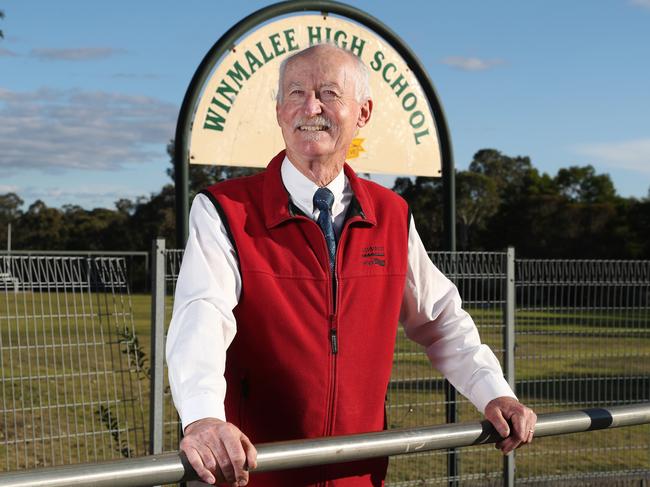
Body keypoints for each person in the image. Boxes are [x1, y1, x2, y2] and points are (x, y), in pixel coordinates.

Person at [166, 43, 536, 487]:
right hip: (256, 474)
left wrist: (495, 392)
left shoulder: (392, 214)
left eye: (328, 93)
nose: (310, 107)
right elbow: (201, 316)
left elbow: (441, 320)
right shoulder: (224, 210)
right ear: (279, 110)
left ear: (363, 113)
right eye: (295, 93)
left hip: (360, 472)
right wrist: (204, 418)